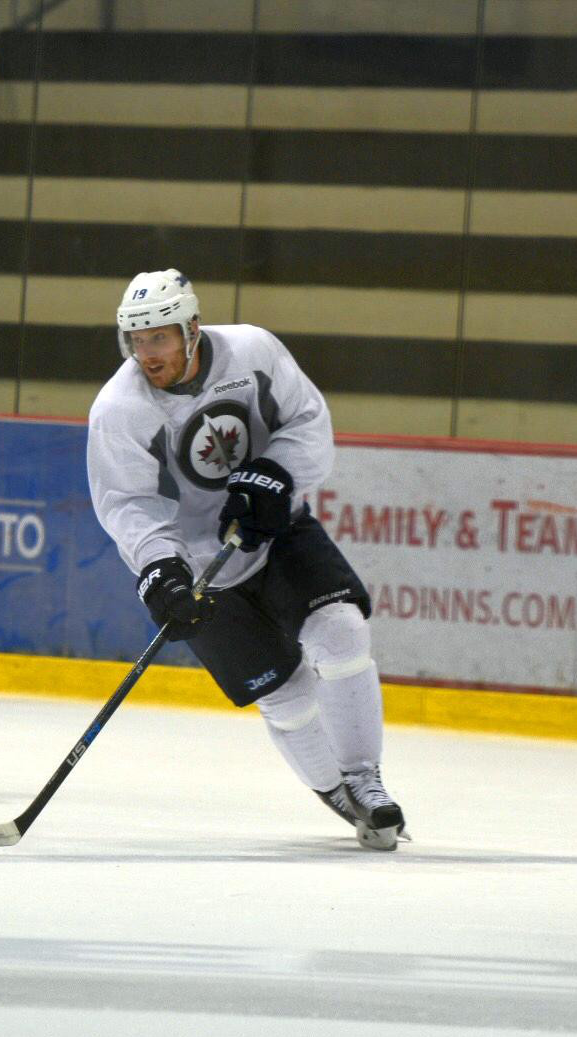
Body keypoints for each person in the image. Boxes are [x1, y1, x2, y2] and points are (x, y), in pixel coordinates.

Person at [86, 268, 406, 850]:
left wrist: (277, 474)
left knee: (341, 631)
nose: (147, 353)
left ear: (191, 330)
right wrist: (160, 568)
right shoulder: (119, 408)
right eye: (137, 339)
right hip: (197, 564)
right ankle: (335, 791)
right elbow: (127, 504)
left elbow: (307, 420)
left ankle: (365, 780)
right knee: (284, 692)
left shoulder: (253, 351)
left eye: (159, 337)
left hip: (275, 531)